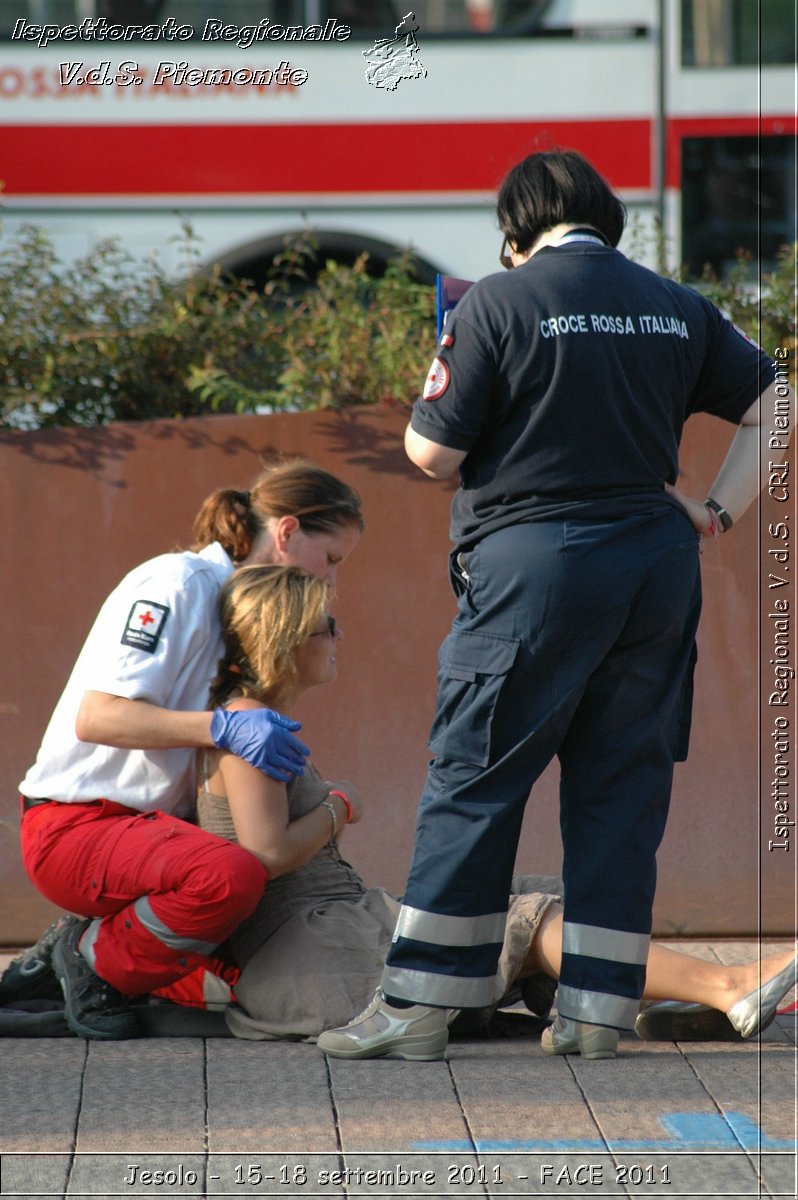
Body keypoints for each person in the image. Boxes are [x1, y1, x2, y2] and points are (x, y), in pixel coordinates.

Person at [319, 148, 793, 1060]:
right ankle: (595, 1013)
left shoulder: (496, 302)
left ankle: (419, 1005)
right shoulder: (675, 305)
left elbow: (430, 454)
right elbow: (778, 398)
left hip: (535, 569)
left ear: (515, 231)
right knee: (623, 786)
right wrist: (719, 509)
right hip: (658, 567)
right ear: (605, 217)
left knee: (475, 774)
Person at [184, 566, 795, 1053]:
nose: (338, 635)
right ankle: (727, 985)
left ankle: (655, 1003)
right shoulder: (247, 727)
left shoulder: (253, 723)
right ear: (285, 640)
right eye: (326, 625)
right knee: (524, 920)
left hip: (338, 927)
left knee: (538, 892)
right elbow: (264, 854)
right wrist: (341, 806)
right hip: (310, 955)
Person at [15, 460, 363, 1040]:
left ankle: (61, 961)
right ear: (287, 532)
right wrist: (221, 728)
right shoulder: (177, 584)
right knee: (230, 877)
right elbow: (97, 716)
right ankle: (89, 960)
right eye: (331, 560)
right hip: (77, 825)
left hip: (148, 835)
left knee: (248, 966)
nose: (331, 584)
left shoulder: (224, 599)